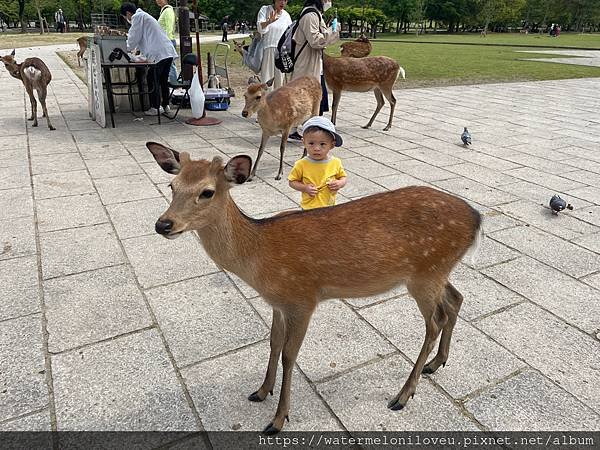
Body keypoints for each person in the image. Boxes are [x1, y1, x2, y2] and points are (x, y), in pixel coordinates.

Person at [288, 0, 338, 140]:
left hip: (312, 62)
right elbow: (315, 40)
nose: (329, 2)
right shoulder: (310, 15)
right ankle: (306, 130)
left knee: (309, 97)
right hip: (307, 63)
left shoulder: (315, 14)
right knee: (305, 97)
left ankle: (302, 129)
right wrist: (333, 31)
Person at [121, 2, 178, 116]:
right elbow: (144, 38)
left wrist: (122, 48)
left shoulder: (137, 17)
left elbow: (132, 40)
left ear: (128, 13)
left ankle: (155, 107)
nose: (126, 19)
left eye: (124, 17)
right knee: (163, 80)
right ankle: (165, 105)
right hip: (167, 51)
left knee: (152, 78)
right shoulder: (144, 16)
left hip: (159, 53)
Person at [288, 116, 346, 210]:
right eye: (311, 143)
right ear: (304, 142)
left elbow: (343, 177)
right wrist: (305, 188)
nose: (316, 148)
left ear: (332, 145)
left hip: (330, 206)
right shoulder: (301, 164)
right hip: (308, 209)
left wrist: (339, 183)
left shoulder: (336, 162)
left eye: (322, 144)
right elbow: (292, 182)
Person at [257, 0, 292, 92]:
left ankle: (277, 104)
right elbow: (260, 29)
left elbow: (289, 34)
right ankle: (266, 104)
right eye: (280, 0)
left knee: (279, 82)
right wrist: (269, 21)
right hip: (268, 49)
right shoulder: (265, 10)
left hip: (282, 52)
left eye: (285, 0)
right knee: (267, 80)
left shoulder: (286, 16)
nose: (282, 2)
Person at [156, 0, 178, 84]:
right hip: (165, 41)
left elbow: (169, 28)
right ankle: (172, 82)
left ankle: (174, 83)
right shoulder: (164, 11)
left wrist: (167, 41)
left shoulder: (168, 11)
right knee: (168, 64)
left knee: (170, 64)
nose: (158, 1)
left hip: (168, 41)